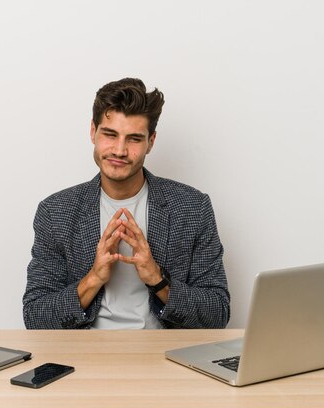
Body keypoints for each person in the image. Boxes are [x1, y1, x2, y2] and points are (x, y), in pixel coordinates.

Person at [23, 77, 229, 329]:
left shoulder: (192, 207)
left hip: (164, 356)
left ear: (150, 142)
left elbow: (217, 312)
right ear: (93, 132)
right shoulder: (55, 212)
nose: (119, 150)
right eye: (110, 135)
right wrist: (94, 277)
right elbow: (35, 316)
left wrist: (157, 279)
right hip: (85, 356)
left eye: (133, 139)